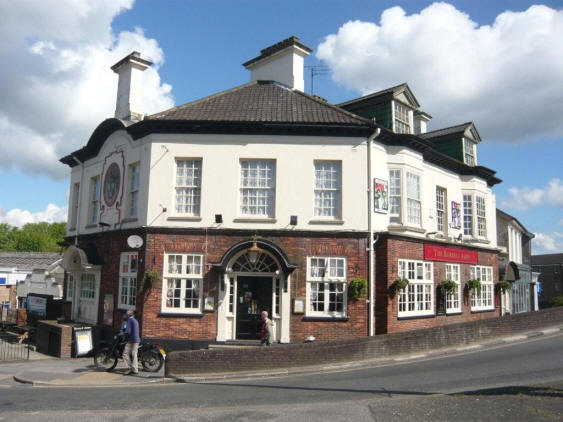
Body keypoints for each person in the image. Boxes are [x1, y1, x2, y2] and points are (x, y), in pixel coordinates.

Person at [122, 309, 140, 375]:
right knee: (134, 354)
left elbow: (128, 331)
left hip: (131, 340)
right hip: (137, 340)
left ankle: (129, 368)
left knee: (125, 354)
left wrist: (124, 335)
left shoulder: (130, 320)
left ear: (129, 315)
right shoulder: (135, 320)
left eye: (126, 314)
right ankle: (135, 370)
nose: (126, 315)